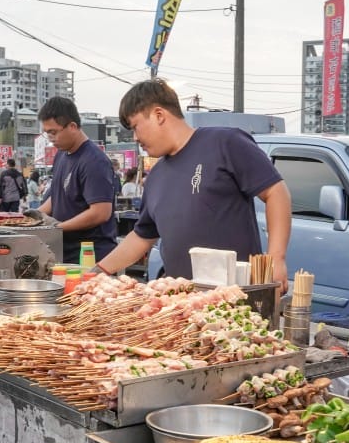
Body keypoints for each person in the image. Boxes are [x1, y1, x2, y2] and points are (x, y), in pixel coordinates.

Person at [96, 78, 292, 292]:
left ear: (159, 115)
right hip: (182, 305)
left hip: (236, 298)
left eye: (135, 127)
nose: (135, 137)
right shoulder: (155, 177)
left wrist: (276, 258)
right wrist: (99, 271)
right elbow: (142, 236)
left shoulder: (225, 143)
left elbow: (276, 192)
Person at [30, 97, 118, 263]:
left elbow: (101, 212)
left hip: (90, 254)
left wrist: (57, 228)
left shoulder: (94, 161)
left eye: (53, 132)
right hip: (64, 251)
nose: (50, 138)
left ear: (72, 126)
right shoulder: (62, 154)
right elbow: (57, 196)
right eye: (47, 132)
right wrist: (34, 217)